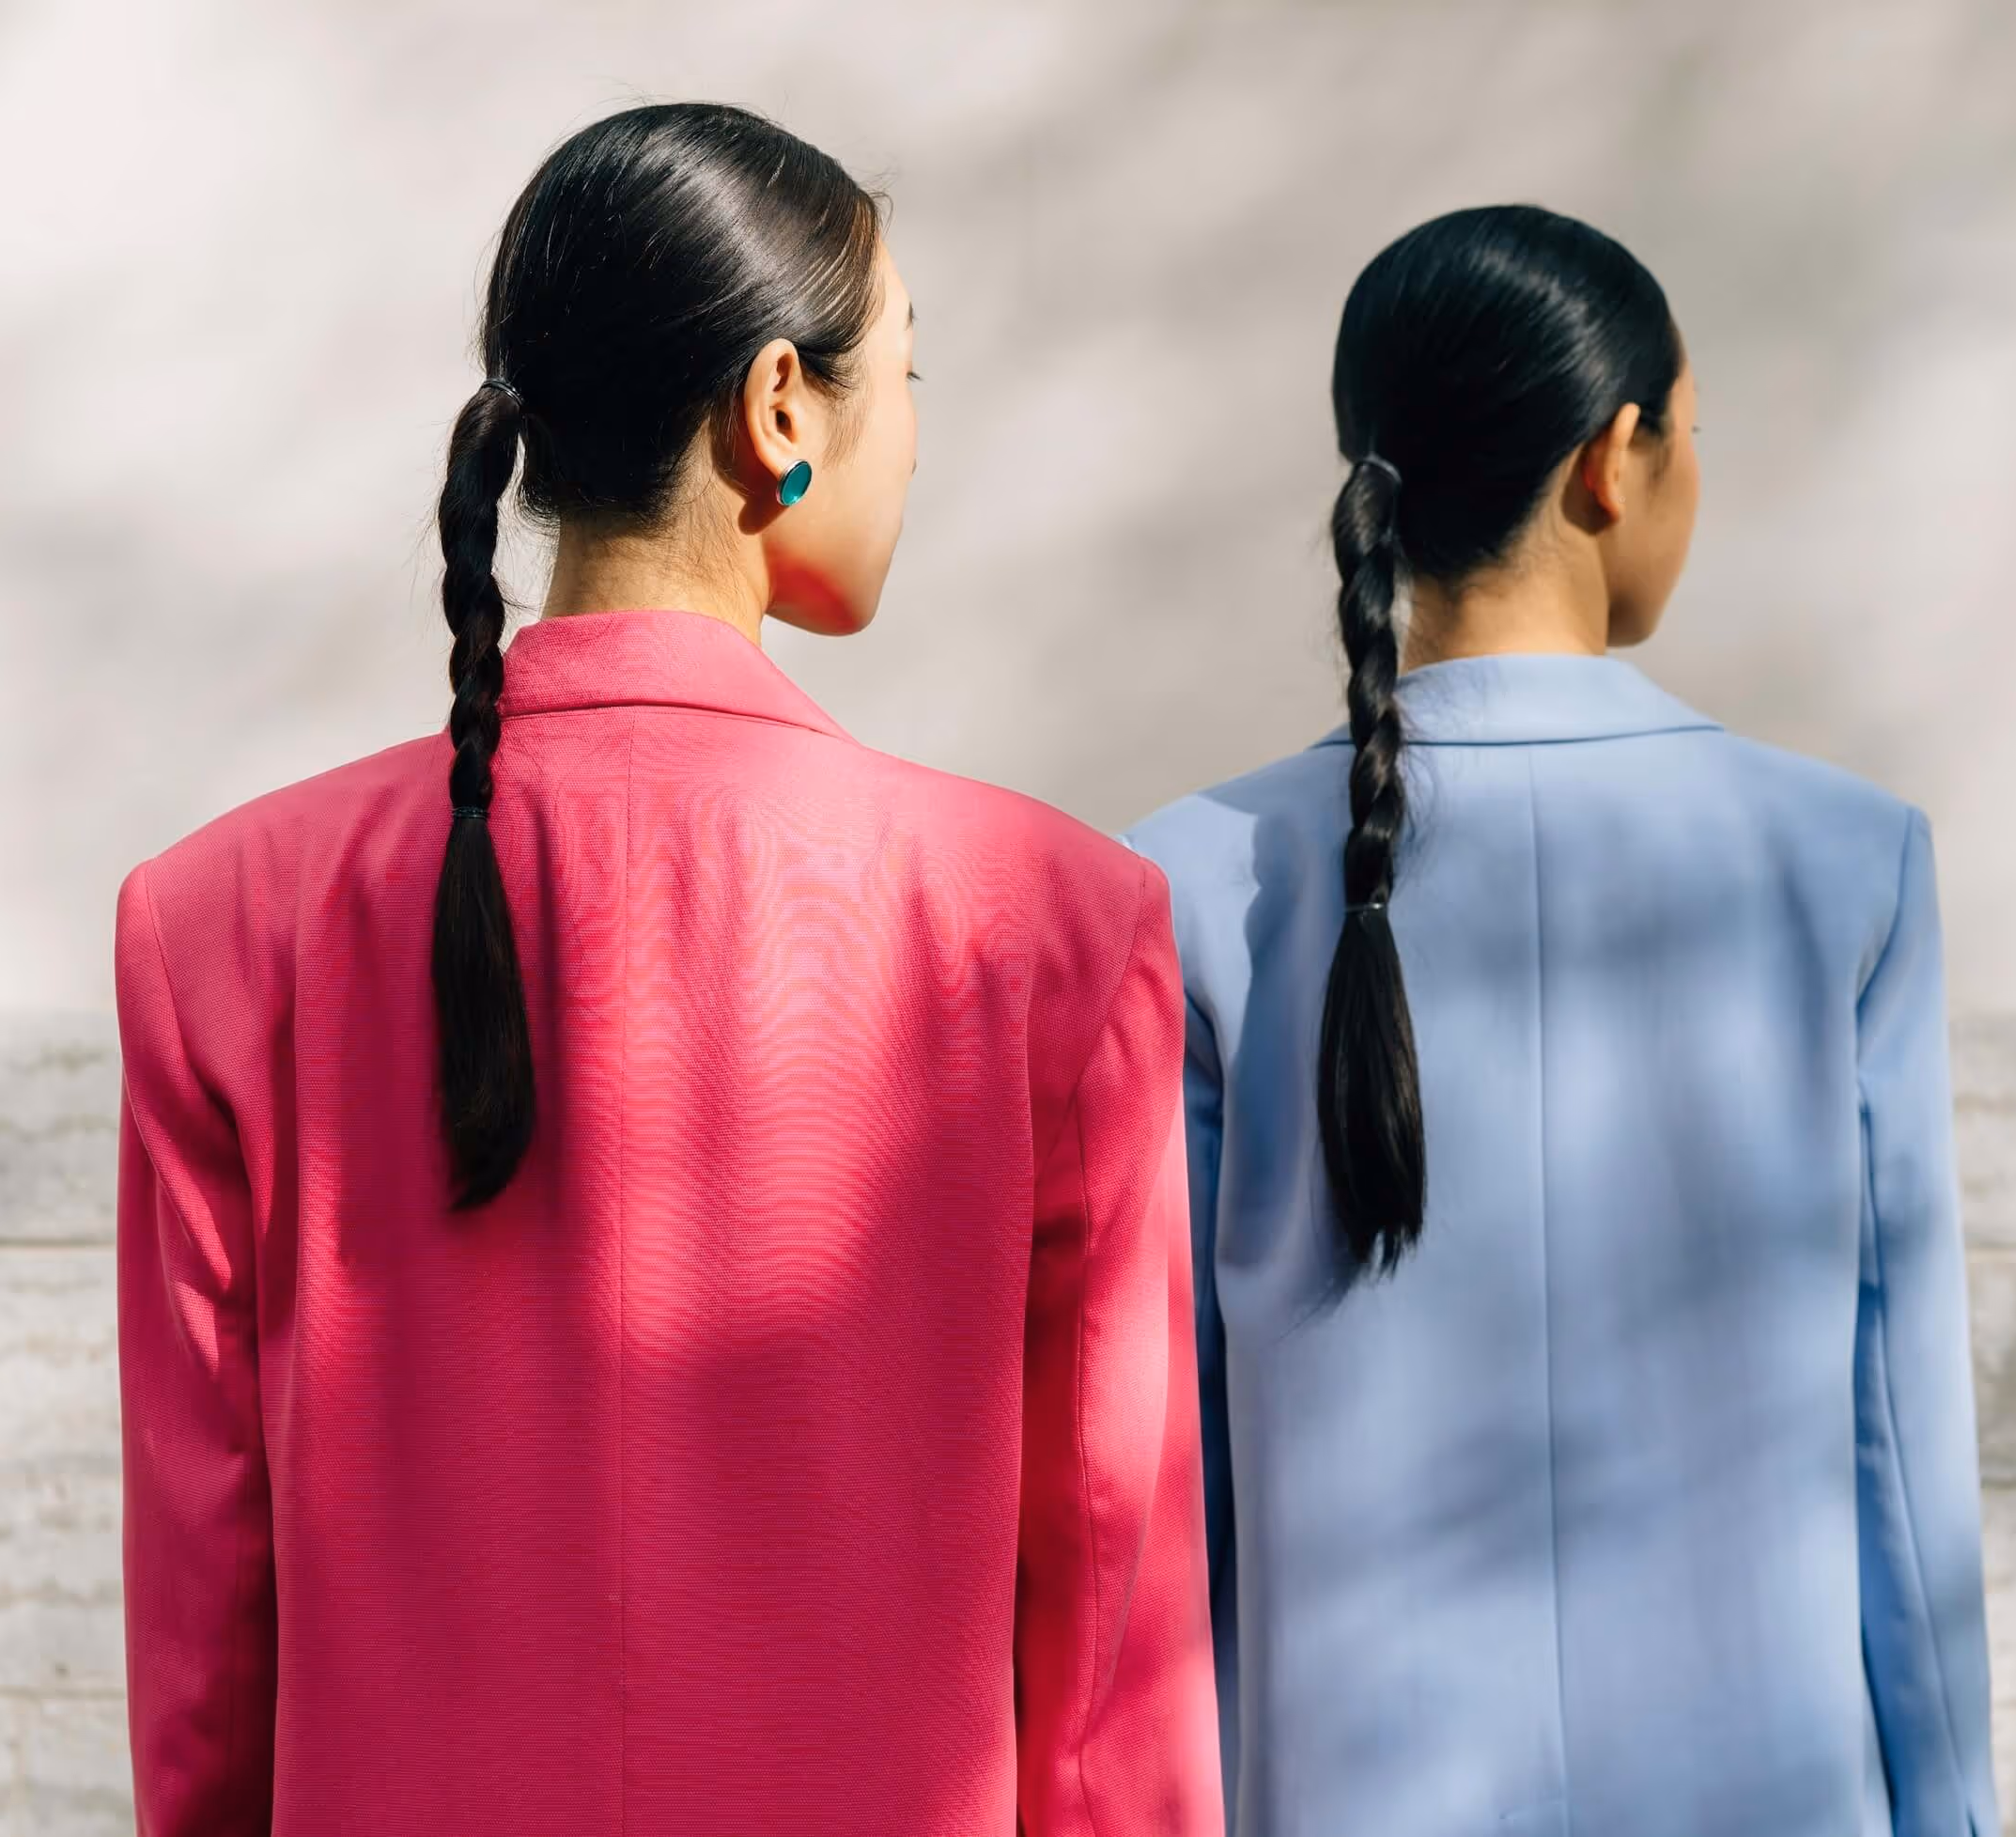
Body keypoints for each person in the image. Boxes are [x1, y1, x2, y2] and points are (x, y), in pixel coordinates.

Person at [109, 101, 1221, 1834]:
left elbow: (207, 1631)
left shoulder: (223, 923)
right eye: (907, 377)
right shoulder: (1053, 930)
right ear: (780, 408)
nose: (916, 439)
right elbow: (1109, 1638)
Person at [1126, 206, 1997, 1836]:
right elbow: (1900, 1445)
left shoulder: (1181, 883)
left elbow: (1170, 1480)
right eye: (1690, 435)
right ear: (1615, 458)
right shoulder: (1844, 861)